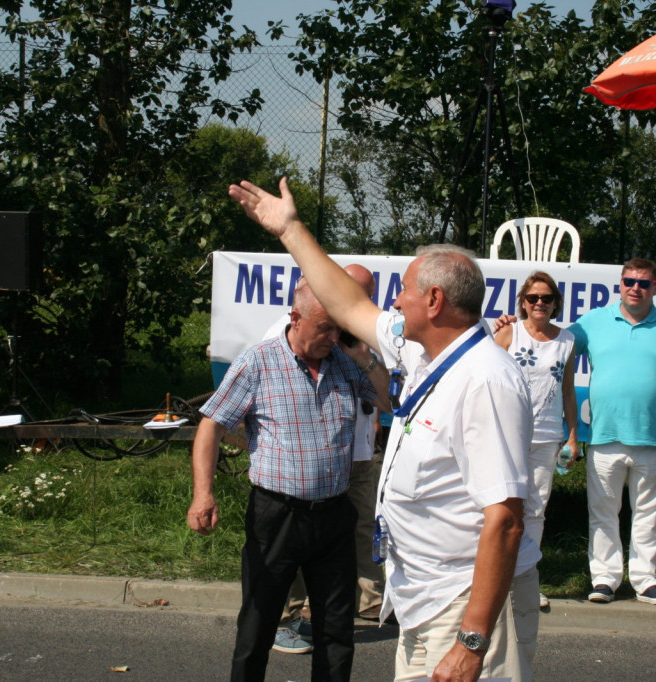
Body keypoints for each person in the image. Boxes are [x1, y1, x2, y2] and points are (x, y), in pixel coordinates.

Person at [229, 177, 542, 682]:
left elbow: (505, 520)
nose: (394, 303)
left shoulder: (487, 381)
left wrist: (472, 641)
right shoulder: (423, 351)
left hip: (464, 607)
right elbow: (349, 304)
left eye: (404, 292)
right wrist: (289, 230)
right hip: (423, 598)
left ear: (435, 300)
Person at [187, 280, 390, 682]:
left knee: (336, 630)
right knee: (259, 625)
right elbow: (211, 427)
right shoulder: (258, 362)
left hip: (333, 514)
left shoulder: (343, 362)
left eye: (338, 329)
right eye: (323, 328)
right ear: (295, 318)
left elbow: (384, 401)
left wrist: (364, 356)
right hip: (277, 515)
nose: (331, 338)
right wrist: (203, 494)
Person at [264, 267, 387, 655]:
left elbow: (386, 394)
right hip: (303, 463)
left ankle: (357, 604)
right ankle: (287, 615)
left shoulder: (367, 331)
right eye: (355, 292)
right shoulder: (290, 329)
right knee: (298, 540)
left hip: (358, 453)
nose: (361, 302)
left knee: (357, 529)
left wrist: (366, 362)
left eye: (368, 295)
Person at [568, 258, 656, 607]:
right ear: (619, 284)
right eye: (629, 281)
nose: (635, 288)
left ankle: (646, 580)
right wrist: (515, 326)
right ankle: (604, 579)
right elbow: (556, 346)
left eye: (643, 283)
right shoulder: (593, 321)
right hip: (605, 437)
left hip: (652, 439)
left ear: (655, 287)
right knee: (603, 512)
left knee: (649, 514)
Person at [493, 270, 578, 610]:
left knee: (536, 509)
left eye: (546, 298)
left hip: (547, 436)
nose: (539, 303)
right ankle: (493, 577)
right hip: (508, 433)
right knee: (501, 504)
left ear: (556, 302)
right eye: (533, 298)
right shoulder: (507, 334)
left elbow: (567, 390)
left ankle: (524, 580)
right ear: (523, 303)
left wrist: (573, 435)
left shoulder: (567, 340)